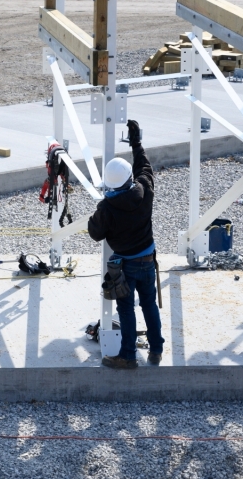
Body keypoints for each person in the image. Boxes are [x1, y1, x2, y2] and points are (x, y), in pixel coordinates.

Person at [88, 119, 163, 369]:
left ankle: (128, 356)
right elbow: (145, 166)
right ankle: (156, 350)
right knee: (150, 304)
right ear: (129, 178)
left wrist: (99, 209)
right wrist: (136, 142)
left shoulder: (108, 209)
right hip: (148, 260)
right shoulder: (145, 189)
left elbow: (94, 233)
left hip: (125, 266)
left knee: (126, 309)